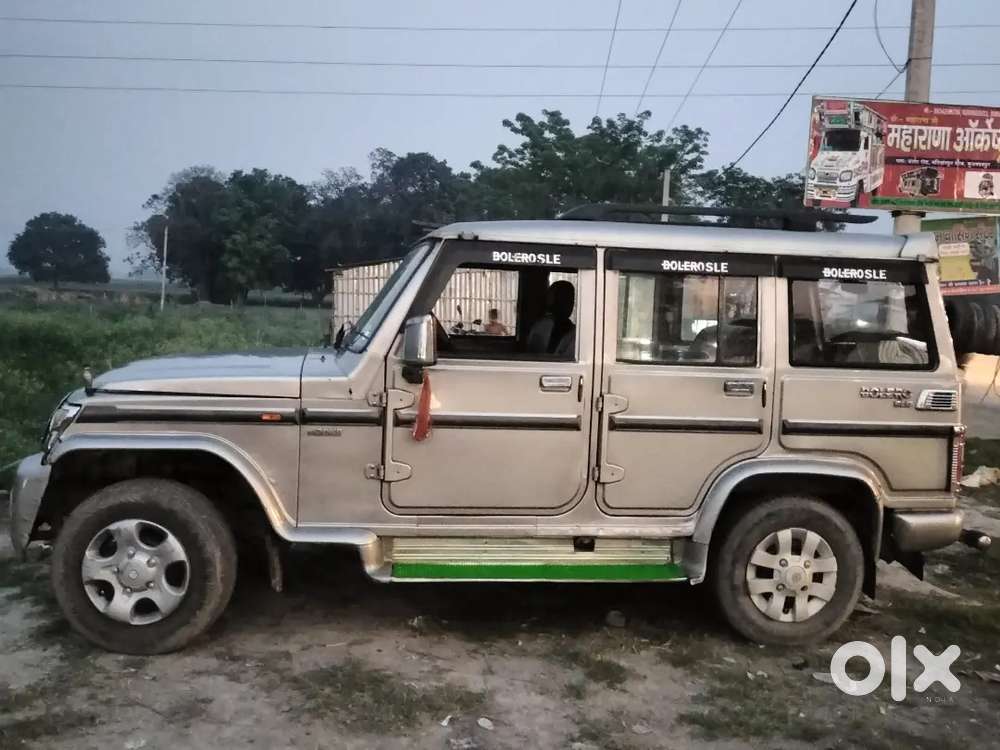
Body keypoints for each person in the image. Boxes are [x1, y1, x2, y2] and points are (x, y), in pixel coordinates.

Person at [526, 280, 576, 357]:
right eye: (565, 299)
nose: (571, 304)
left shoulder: (574, 332)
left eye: (571, 299)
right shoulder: (542, 327)